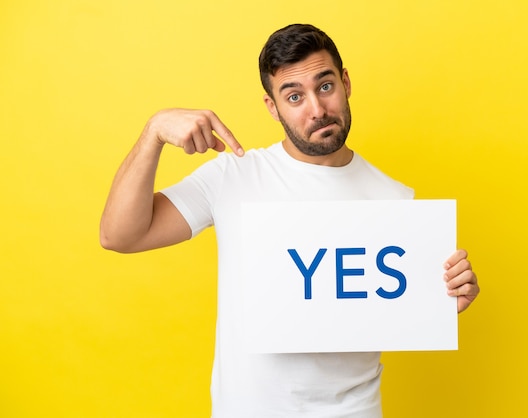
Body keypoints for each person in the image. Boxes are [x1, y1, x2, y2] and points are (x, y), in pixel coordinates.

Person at [100, 23, 480, 417]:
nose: (316, 109)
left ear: (346, 83)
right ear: (272, 107)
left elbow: (403, 308)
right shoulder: (233, 177)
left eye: (326, 86)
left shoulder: (396, 201)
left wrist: (443, 298)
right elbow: (119, 235)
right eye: (294, 96)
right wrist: (154, 132)